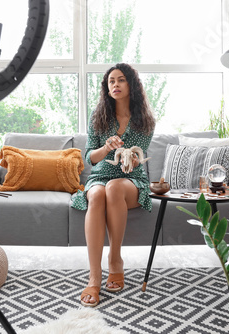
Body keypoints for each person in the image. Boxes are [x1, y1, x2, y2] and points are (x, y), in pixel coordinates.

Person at [71, 63, 155, 307]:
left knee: (115, 187)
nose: (115, 85)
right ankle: (94, 276)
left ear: (131, 84)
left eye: (121, 80)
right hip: (100, 175)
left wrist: (133, 158)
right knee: (97, 194)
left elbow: (137, 155)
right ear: (107, 88)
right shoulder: (98, 117)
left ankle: (115, 259)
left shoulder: (145, 120)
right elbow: (90, 158)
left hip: (130, 179)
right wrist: (106, 147)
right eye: (111, 82)